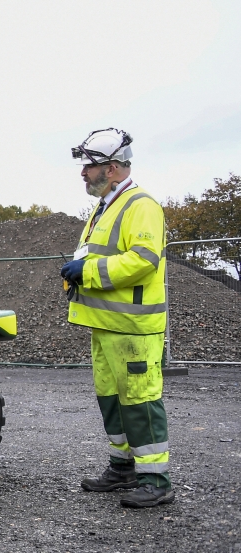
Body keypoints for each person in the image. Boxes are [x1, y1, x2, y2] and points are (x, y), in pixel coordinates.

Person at [60, 128, 173, 508]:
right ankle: (122, 468)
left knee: (140, 400)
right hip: (107, 324)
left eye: (88, 167)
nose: (83, 174)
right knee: (112, 398)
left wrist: (86, 273)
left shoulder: (141, 205)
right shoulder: (106, 205)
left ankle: (156, 479)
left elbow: (143, 260)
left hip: (133, 327)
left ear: (111, 168)